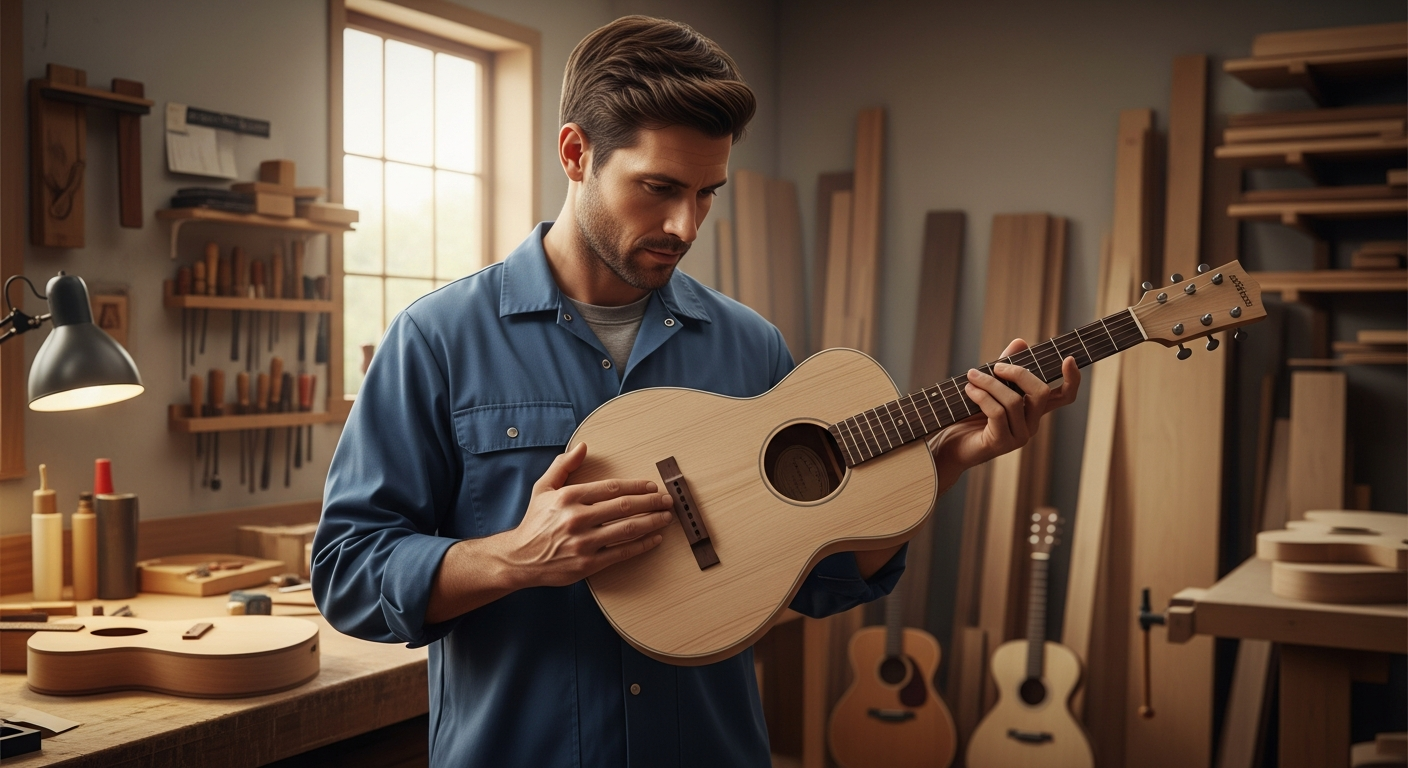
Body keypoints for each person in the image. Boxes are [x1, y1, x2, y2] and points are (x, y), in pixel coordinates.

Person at [312, 15, 1081, 768]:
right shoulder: (437, 339)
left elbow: (822, 580)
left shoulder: (750, 346)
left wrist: (948, 461)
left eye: (708, 193)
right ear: (576, 153)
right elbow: (348, 574)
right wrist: (515, 556)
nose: (685, 223)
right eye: (658, 187)